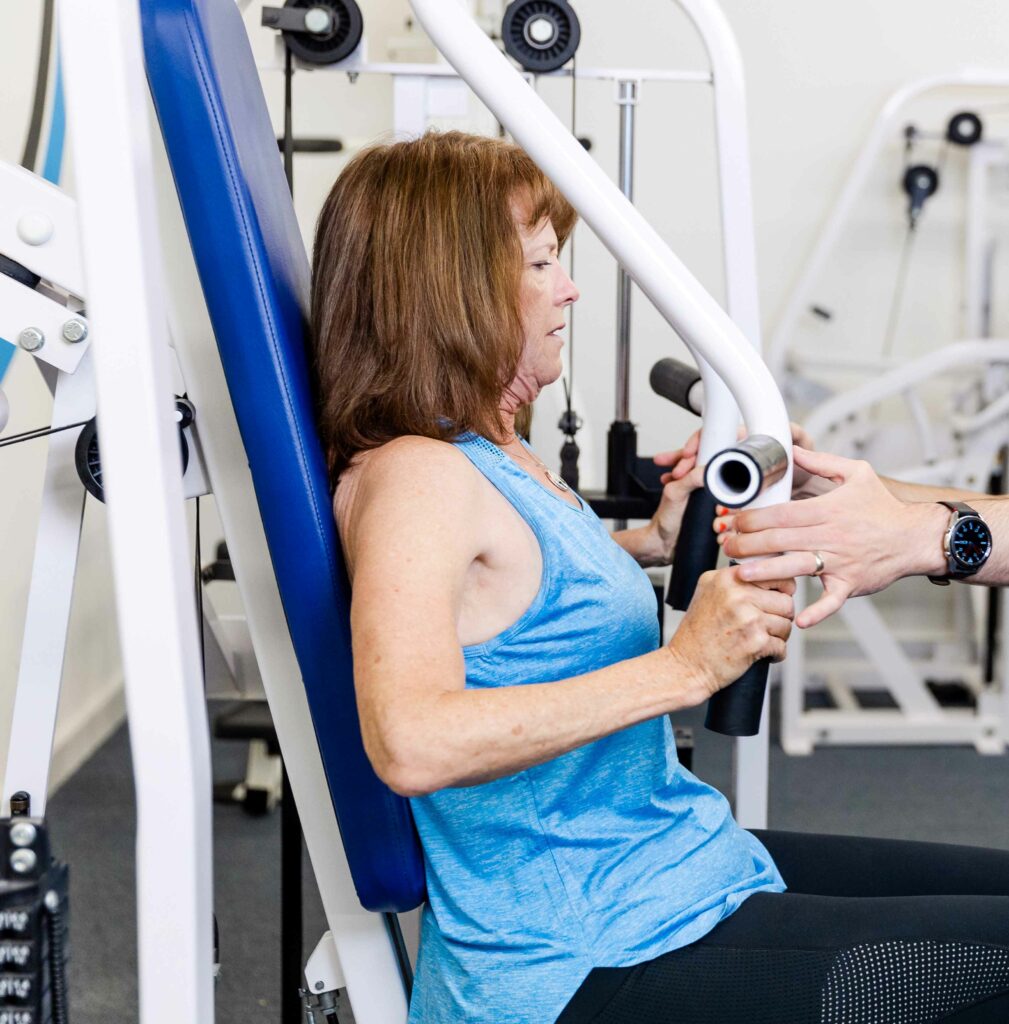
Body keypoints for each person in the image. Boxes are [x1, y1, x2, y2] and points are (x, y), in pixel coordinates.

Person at [310, 131, 1009, 1024]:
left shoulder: (493, 454)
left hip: (667, 868)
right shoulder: (418, 474)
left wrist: (652, 540)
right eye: (538, 262)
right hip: (579, 957)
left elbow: (503, 610)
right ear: (454, 287)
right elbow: (411, 741)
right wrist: (686, 666)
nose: (565, 289)